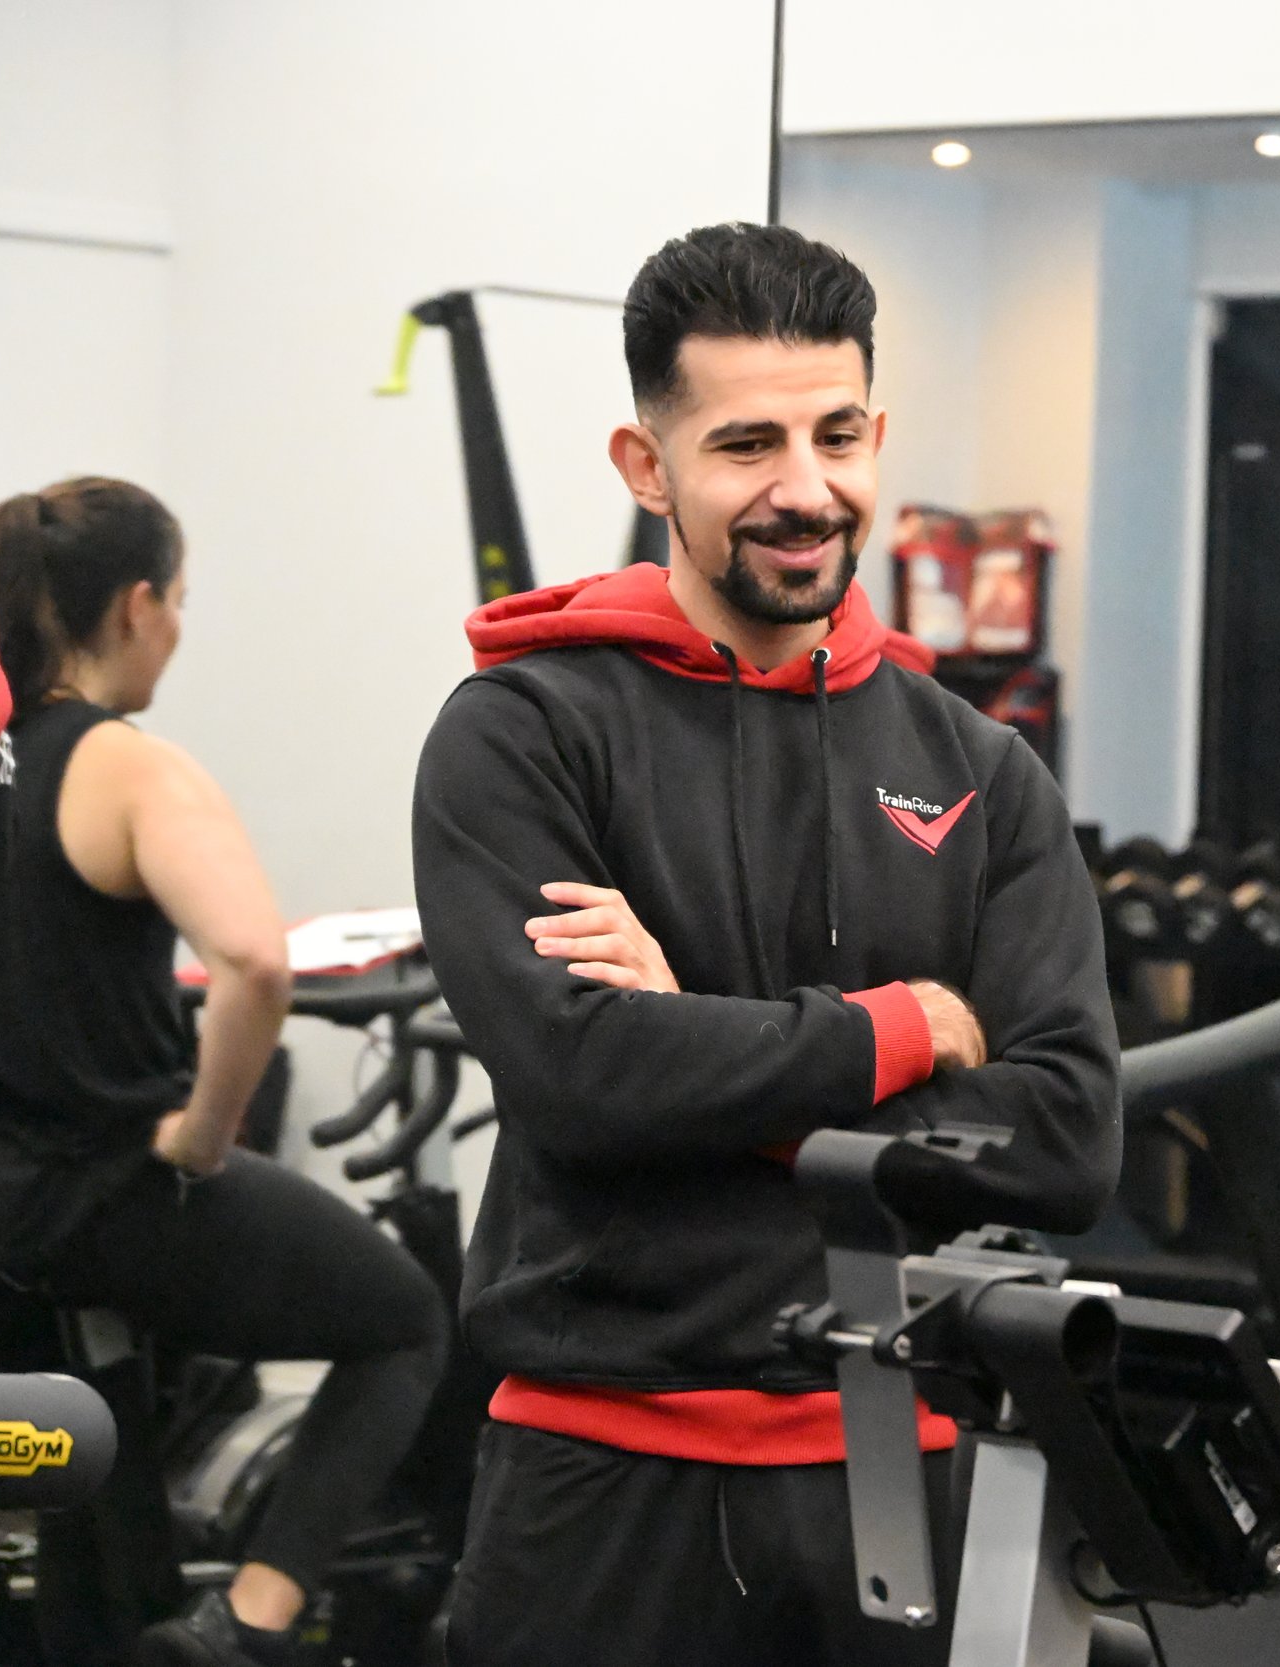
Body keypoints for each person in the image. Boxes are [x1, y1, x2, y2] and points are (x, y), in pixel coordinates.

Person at [412, 223, 1120, 1667]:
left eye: (838, 433)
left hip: (894, 1458)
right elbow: (587, 1081)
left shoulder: (980, 764)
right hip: (601, 1468)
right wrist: (913, 1026)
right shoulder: (525, 733)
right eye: (746, 443)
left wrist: (707, 1040)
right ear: (645, 464)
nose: (807, 490)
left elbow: (1065, 1139)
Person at [0, 478, 448, 1667]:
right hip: (108, 1191)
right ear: (139, 606)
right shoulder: (125, 767)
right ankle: (248, 1621)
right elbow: (251, 960)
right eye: (181, 600)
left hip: (7, 1199)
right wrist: (206, 1130)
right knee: (404, 1318)